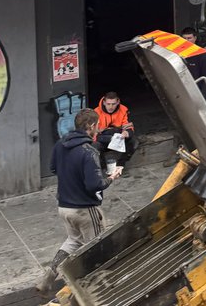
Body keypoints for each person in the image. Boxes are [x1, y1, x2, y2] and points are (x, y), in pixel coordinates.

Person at [38, 107, 120, 295]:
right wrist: (111, 177)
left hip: (65, 208)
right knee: (96, 249)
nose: (98, 129)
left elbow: (53, 168)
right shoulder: (88, 151)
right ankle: (96, 291)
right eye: (97, 125)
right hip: (85, 210)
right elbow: (94, 185)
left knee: (73, 241)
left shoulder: (60, 144)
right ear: (91, 126)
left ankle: (49, 276)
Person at [95, 91, 136, 174]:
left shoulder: (123, 110)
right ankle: (103, 168)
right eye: (108, 104)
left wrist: (126, 134)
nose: (111, 107)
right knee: (95, 145)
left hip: (118, 138)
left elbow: (129, 127)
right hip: (104, 139)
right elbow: (93, 134)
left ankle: (120, 165)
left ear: (118, 102)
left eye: (113, 104)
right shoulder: (95, 112)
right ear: (104, 102)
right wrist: (109, 138)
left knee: (132, 141)